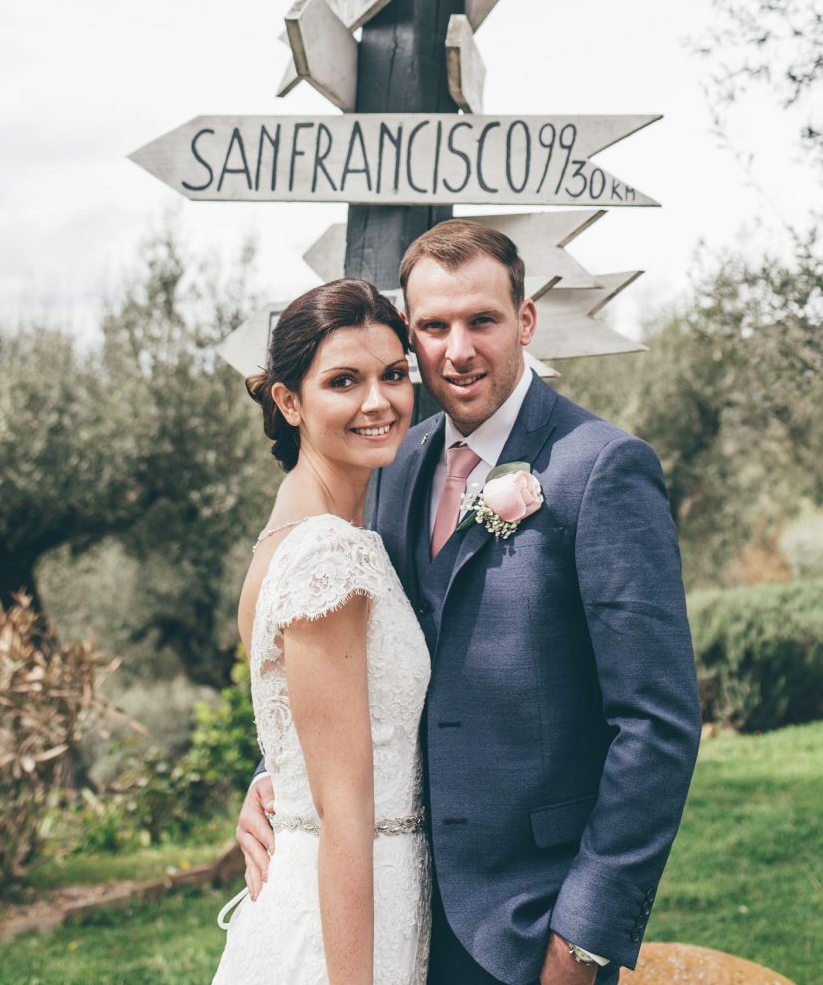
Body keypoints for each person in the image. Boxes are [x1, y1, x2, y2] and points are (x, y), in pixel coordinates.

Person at [238, 221, 702, 985]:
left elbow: (657, 724)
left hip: (531, 930)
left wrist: (582, 938)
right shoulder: (395, 455)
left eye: (481, 320)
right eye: (434, 326)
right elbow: (346, 652)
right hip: (398, 913)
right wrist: (278, 777)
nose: (458, 349)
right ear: (413, 336)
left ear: (524, 320)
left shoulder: (602, 468)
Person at [212, 277, 432, 985]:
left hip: (353, 891)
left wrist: (270, 782)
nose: (379, 400)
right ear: (288, 400)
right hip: (345, 921)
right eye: (345, 380)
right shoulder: (327, 556)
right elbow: (344, 812)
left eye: (394, 374)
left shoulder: (287, 536)